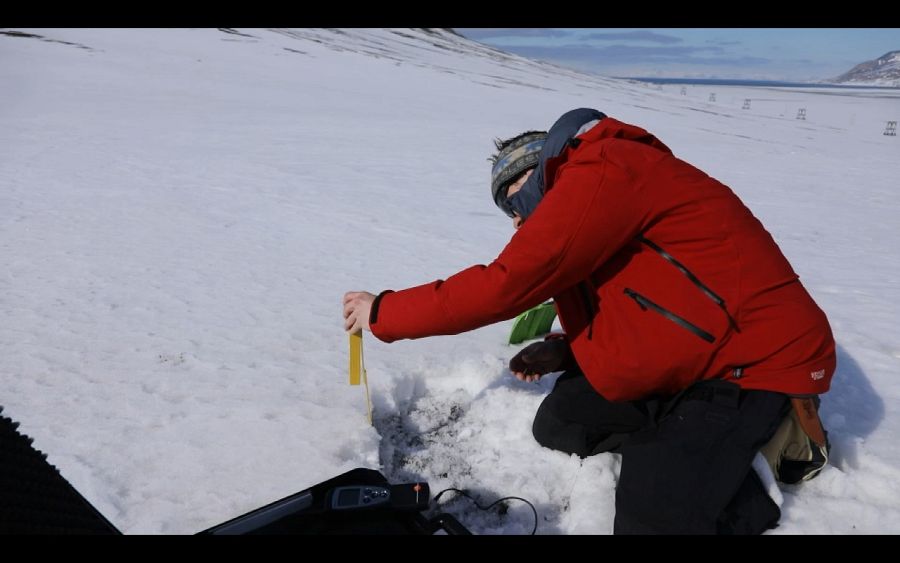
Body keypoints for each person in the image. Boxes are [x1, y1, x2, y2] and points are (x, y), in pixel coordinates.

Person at [343, 108, 836, 534]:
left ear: (539, 171)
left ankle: (745, 477)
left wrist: (384, 311)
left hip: (755, 364)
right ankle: (683, 453)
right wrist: (566, 350)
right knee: (562, 420)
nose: (514, 219)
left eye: (513, 199)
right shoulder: (597, 191)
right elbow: (642, 302)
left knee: (649, 519)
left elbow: (506, 285)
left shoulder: (604, 169)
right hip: (698, 357)